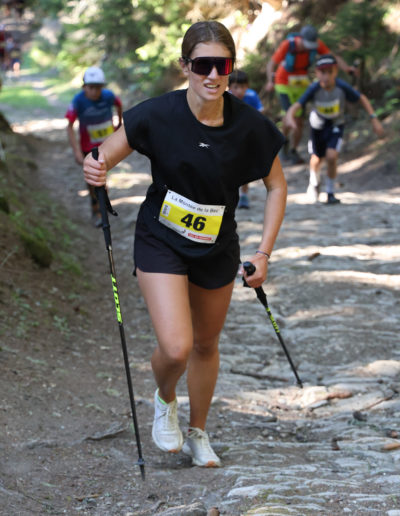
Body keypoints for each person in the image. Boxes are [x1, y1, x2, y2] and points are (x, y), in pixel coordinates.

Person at [83, 21, 287, 468]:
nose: (213, 75)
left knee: (205, 344)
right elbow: (102, 156)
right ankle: (165, 398)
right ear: (185, 66)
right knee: (177, 346)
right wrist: (94, 167)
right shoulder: (157, 114)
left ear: (231, 68)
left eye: (222, 66)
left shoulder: (250, 126)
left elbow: (276, 186)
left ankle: (198, 432)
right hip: (161, 239)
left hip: (217, 245)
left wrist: (263, 253)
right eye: (202, 65)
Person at [285, 54, 384, 204]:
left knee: (332, 156)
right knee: (316, 159)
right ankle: (314, 183)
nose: (326, 76)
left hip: (336, 125)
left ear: (335, 72)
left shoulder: (341, 86)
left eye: (329, 72)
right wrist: (290, 116)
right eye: (322, 72)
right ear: (317, 73)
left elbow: (362, 98)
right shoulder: (314, 88)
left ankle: (330, 192)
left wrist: (374, 119)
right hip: (317, 127)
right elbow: (297, 105)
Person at [265, 25, 356, 165]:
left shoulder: (316, 44)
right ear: (301, 39)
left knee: (299, 120)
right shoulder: (288, 44)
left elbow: (333, 58)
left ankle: (293, 150)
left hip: (301, 84)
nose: (309, 48)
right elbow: (272, 63)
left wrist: (347, 69)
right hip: (283, 83)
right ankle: (284, 142)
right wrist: (270, 81)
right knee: (289, 114)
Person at [65, 66, 122, 226]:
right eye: (91, 87)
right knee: (93, 180)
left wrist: (119, 125)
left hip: (108, 145)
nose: (95, 91)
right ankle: (97, 210)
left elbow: (119, 105)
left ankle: (101, 207)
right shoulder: (78, 101)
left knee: (101, 178)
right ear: (84, 87)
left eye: (98, 87)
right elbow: (69, 125)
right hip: (88, 149)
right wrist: (77, 151)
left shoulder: (108, 96)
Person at [228, 69, 264, 209]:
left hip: (246, 136)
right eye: (236, 87)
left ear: (247, 86)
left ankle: (243, 195)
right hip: (229, 137)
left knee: (243, 167)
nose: (239, 91)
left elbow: (260, 115)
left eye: (242, 87)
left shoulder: (252, 96)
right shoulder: (224, 98)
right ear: (229, 87)